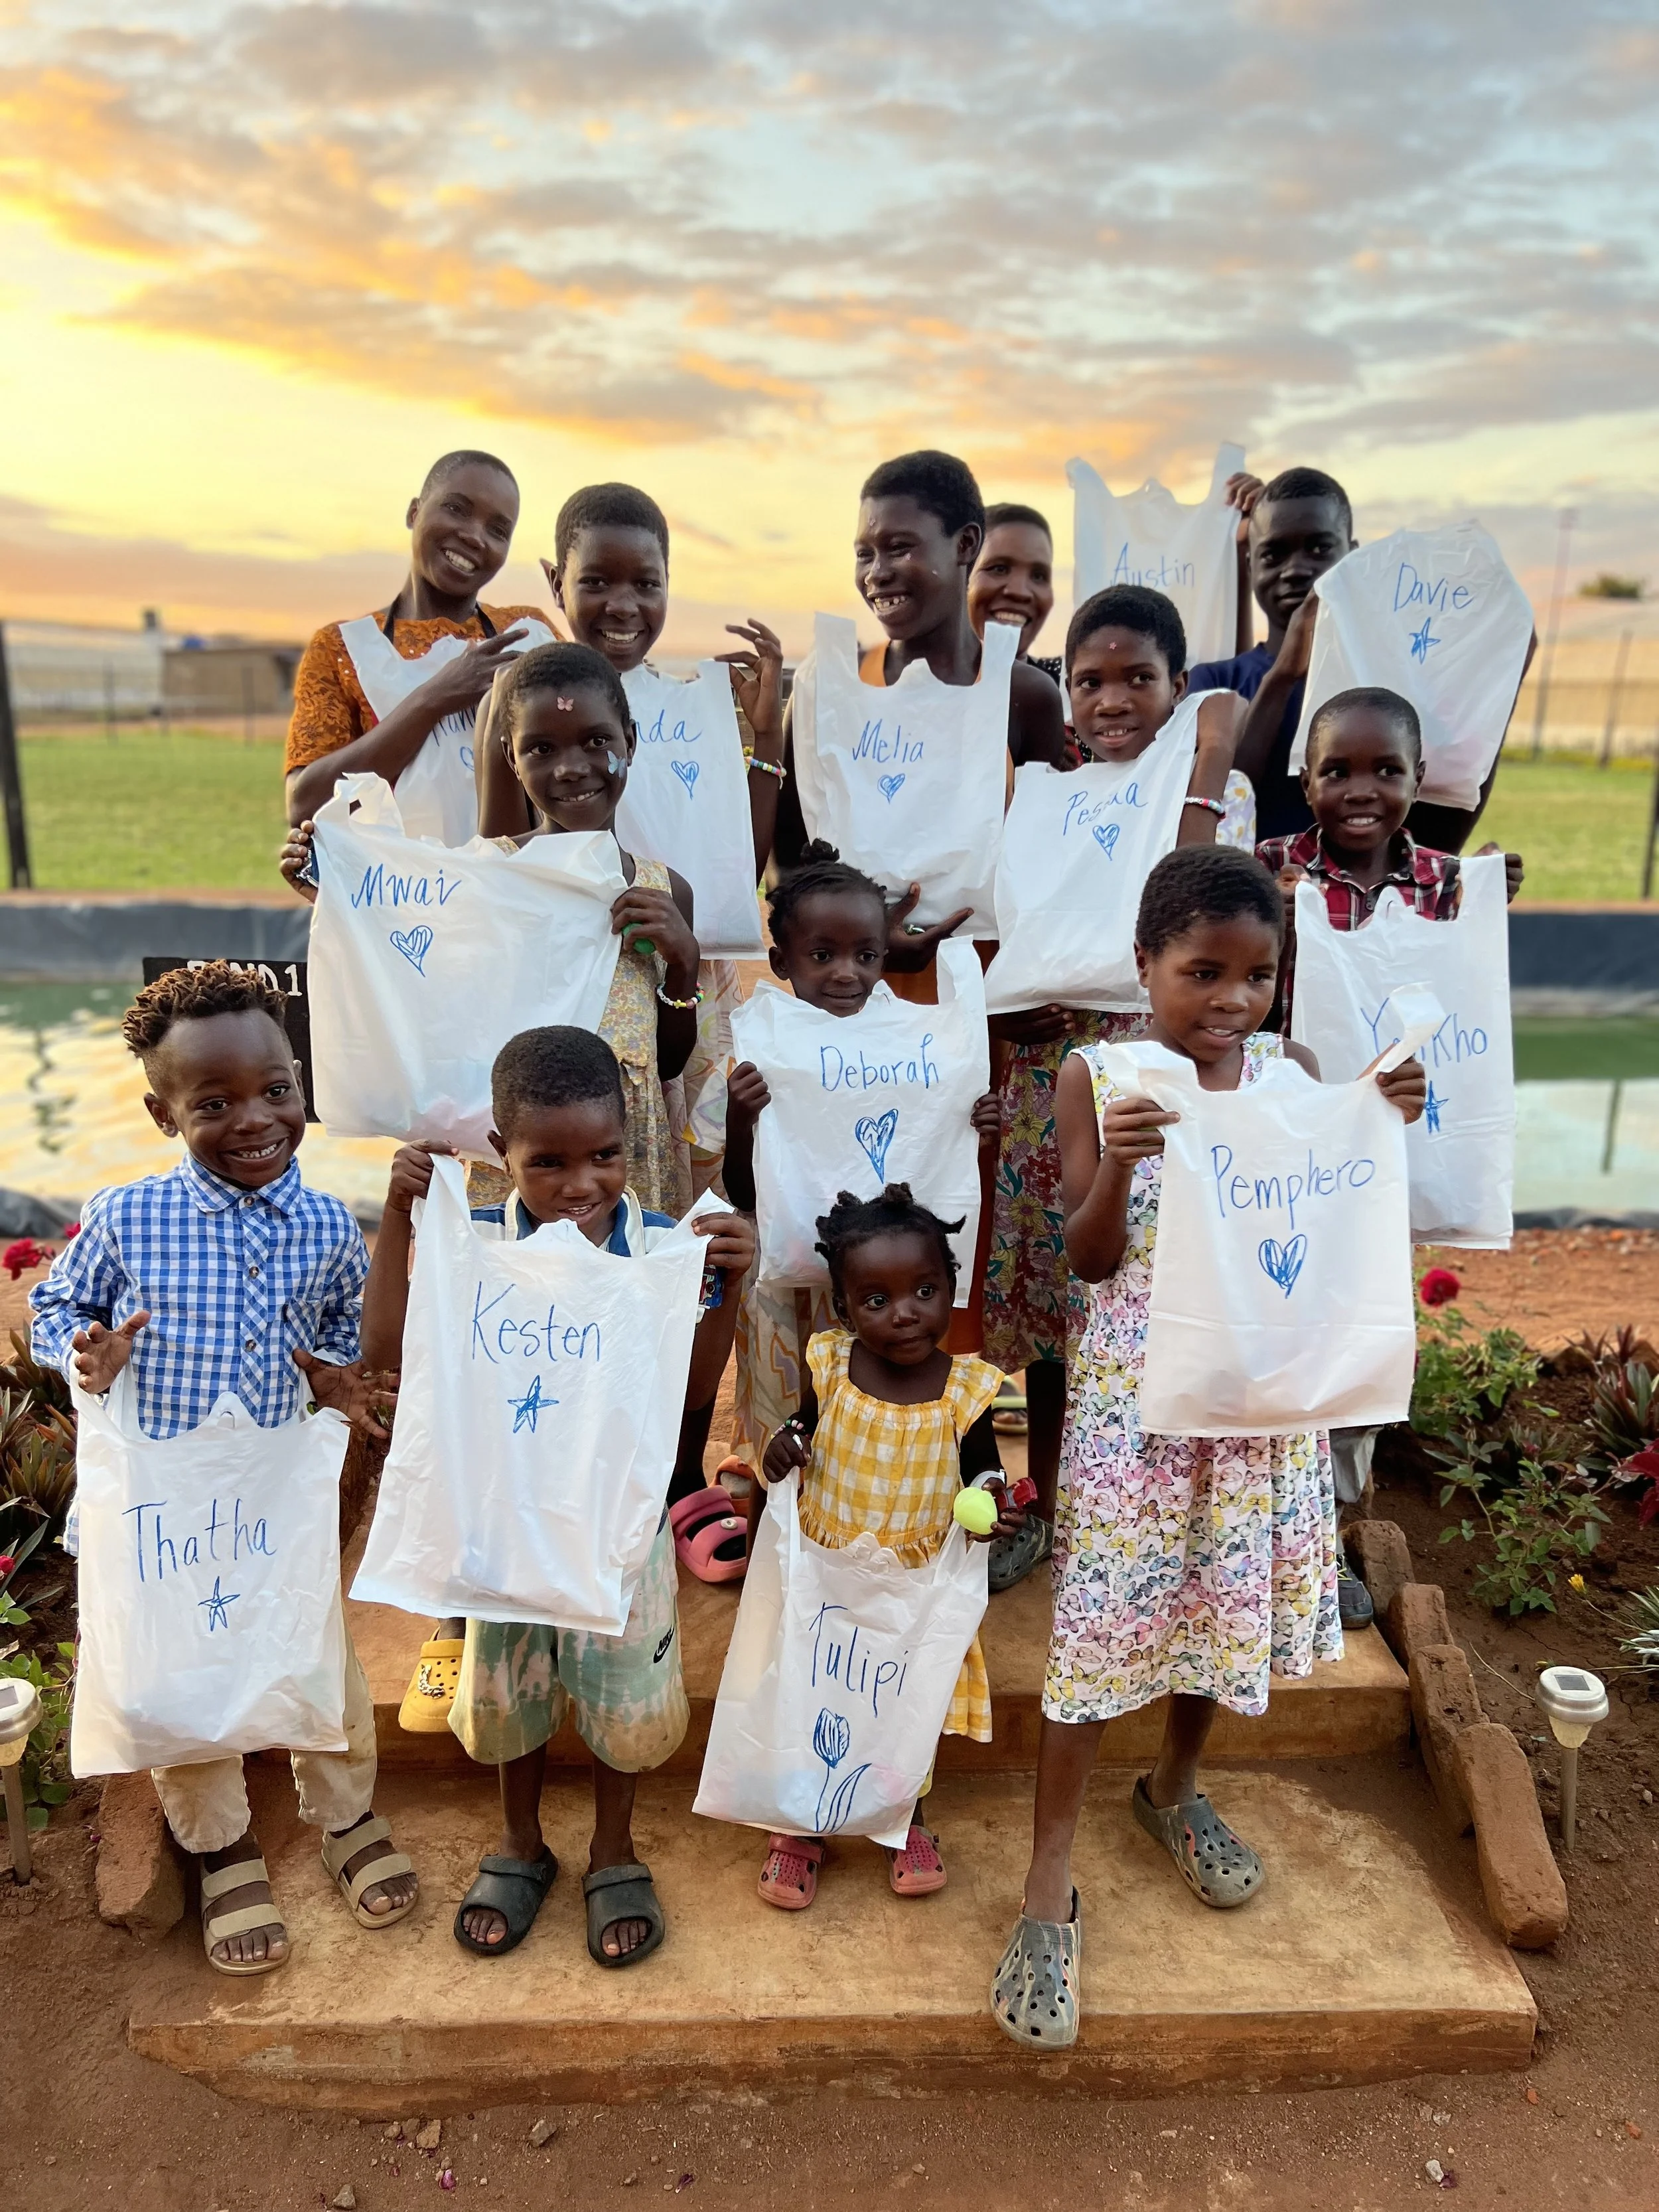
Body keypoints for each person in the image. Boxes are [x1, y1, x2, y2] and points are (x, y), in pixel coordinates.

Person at [991, 847, 1425, 2049]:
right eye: (1202, 971)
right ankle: (1047, 1875)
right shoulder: (1100, 1074)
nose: (1232, 999)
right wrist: (1120, 1161)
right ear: (1145, 966)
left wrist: (1381, 1126)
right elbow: (1082, 1261)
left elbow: (1336, 1211)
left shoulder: (1293, 1072)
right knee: (1096, 1627)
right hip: (1139, 1404)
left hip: (1263, 1405)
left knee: (1219, 1609)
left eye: (1256, 975)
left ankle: (1174, 1788)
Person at [283, 638, 705, 1726]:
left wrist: (687, 972)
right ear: (509, 757)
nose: (573, 766)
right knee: (489, 1389)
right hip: (497, 1186)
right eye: (544, 747)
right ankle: (465, 1613)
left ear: (631, 747)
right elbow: (416, 996)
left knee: (597, 1387)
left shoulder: (659, 887)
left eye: (595, 743)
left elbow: (668, 1062)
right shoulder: (474, 882)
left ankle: (602, 1567)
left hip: (623, 1170)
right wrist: (339, 884)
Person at [29, 962, 415, 1977]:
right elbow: (54, 1310)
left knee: (316, 1654)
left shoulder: (331, 1228)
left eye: (275, 1090)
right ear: (164, 1114)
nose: (255, 1119)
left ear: (303, 1085)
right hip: (166, 1512)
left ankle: (343, 1816)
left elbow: (334, 1341)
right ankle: (221, 1846)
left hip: (270, 1511)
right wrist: (90, 1350)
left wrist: (333, 1382)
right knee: (182, 1676)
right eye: (215, 1102)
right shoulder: (125, 1219)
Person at [360, 1027, 754, 1966]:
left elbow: (694, 1394)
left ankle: (613, 1848)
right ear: (502, 1153)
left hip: (617, 1533)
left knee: (622, 1699)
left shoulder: (662, 1248)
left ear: (629, 1141)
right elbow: (387, 1355)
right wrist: (397, 1223)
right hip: (502, 1532)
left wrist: (727, 1286)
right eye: (550, 1162)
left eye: (607, 1155)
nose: (583, 1184)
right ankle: (519, 1841)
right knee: (509, 1695)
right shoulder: (476, 1250)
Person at [981, 585, 1246, 1592]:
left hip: (1161, 1072)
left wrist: (1211, 755)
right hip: (1053, 1074)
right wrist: (1020, 1011)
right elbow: (1016, 934)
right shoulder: (1042, 796)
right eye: (1088, 680)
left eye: (1140, 677)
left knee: (1154, 1300)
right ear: (1064, 693)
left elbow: (1192, 900)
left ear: (1179, 688)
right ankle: (1044, 1501)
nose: (1113, 699)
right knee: (1056, 1311)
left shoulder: (1208, 784)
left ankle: (1146, 1511)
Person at [1258, 684, 1524, 1575]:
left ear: (1420, 779)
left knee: (1361, 1326)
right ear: (1306, 777)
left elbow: (1465, 982)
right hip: (1290, 1145)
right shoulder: (1270, 867)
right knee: (1274, 1314)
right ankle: (1260, 1518)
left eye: (1386, 770)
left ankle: (1329, 1538)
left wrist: (1493, 894)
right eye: (1337, 770)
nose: (1360, 789)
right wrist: (1270, 911)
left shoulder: (1448, 885)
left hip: (1393, 1144)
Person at [753, 1185, 1021, 1909]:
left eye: (925, 1290)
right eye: (876, 1300)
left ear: (951, 1289)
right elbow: (803, 1430)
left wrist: (992, 1504)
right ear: (843, 1309)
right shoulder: (831, 1365)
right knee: (820, 1701)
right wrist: (784, 1448)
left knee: (907, 1707)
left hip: (916, 1586)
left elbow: (984, 1469)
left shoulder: (967, 1390)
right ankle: (800, 1829)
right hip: (832, 1582)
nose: (905, 1312)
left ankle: (904, 1821)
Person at [720, 843, 1001, 1501]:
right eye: (823, 956)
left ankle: (871, 1544)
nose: (846, 973)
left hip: (881, 1290)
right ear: (780, 962)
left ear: (886, 956)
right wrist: (741, 1119)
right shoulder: (761, 1052)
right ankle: (773, 1549)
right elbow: (742, 1192)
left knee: (868, 1437)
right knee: (784, 1436)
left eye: (865, 956)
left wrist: (971, 1125)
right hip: (788, 1293)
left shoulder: (917, 1044)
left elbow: (935, 1175)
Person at [772, 450, 1068, 880]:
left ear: (965, 544)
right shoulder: (828, 689)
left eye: (899, 548)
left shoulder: (1026, 696)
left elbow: (1040, 868)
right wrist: (867, 937)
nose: (876, 573)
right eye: (864, 553)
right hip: (853, 950)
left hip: (988, 949)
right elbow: (789, 863)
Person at [283, 451, 551, 838]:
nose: (474, 536)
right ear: (414, 512)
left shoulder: (529, 632)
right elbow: (305, 803)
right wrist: (434, 698)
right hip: (404, 892)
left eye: (498, 530)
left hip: (513, 887)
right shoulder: (343, 649)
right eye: (457, 509)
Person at [1184, 466, 1357, 843]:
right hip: (1248, 897)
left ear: (1353, 556)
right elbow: (1222, 802)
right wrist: (1282, 676)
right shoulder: (1213, 682)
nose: (1295, 569)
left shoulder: (1378, 674)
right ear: (1250, 566)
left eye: (1319, 548)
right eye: (1273, 554)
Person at [968, 502, 1061, 685]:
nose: (1020, 592)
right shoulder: (912, 688)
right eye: (999, 569)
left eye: (1038, 576)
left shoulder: (1072, 690)